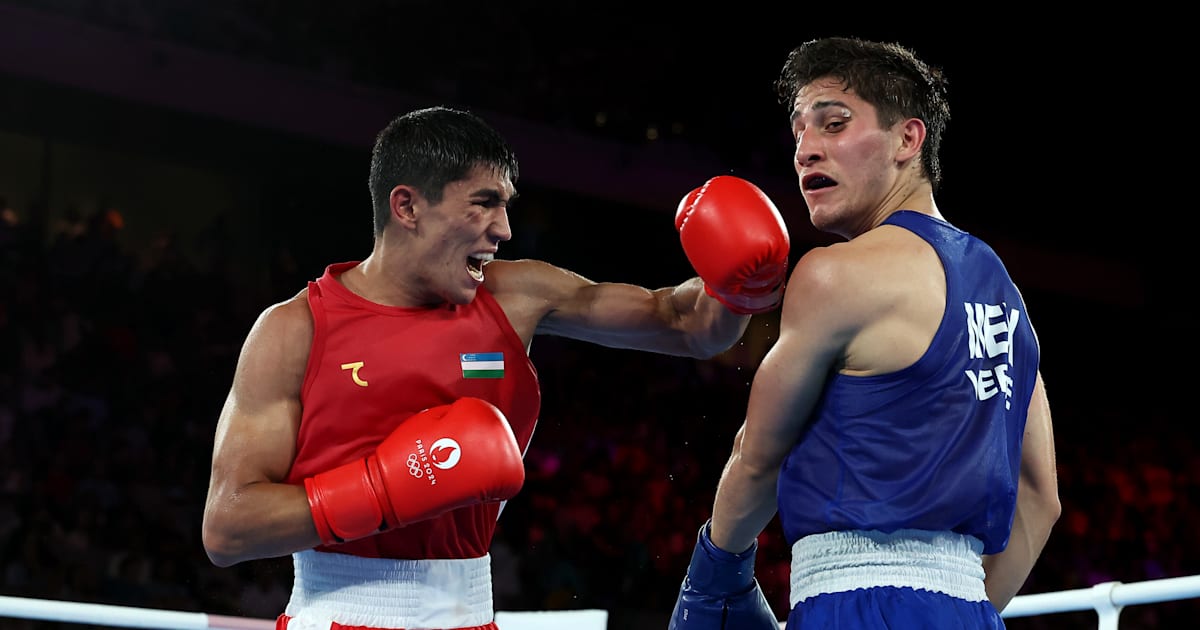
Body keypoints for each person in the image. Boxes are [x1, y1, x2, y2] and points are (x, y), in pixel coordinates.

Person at [200, 105, 791, 630]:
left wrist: (736, 284)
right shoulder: (295, 329)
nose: (504, 230)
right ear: (406, 205)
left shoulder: (515, 295)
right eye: (483, 203)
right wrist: (384, 488)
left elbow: (683, 324)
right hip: (335, 612)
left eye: (506, 206)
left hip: (471, 613)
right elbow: (228, 527)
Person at [669, 36, 1061, 629]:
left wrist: (713, 574)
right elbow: (1042, 497)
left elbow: (757, 457)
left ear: (908, 139)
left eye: (833, 124)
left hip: (851, 602)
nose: (805, 150)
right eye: (799, 131)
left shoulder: (834, 273)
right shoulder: (1007, 294)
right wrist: (957, 608)